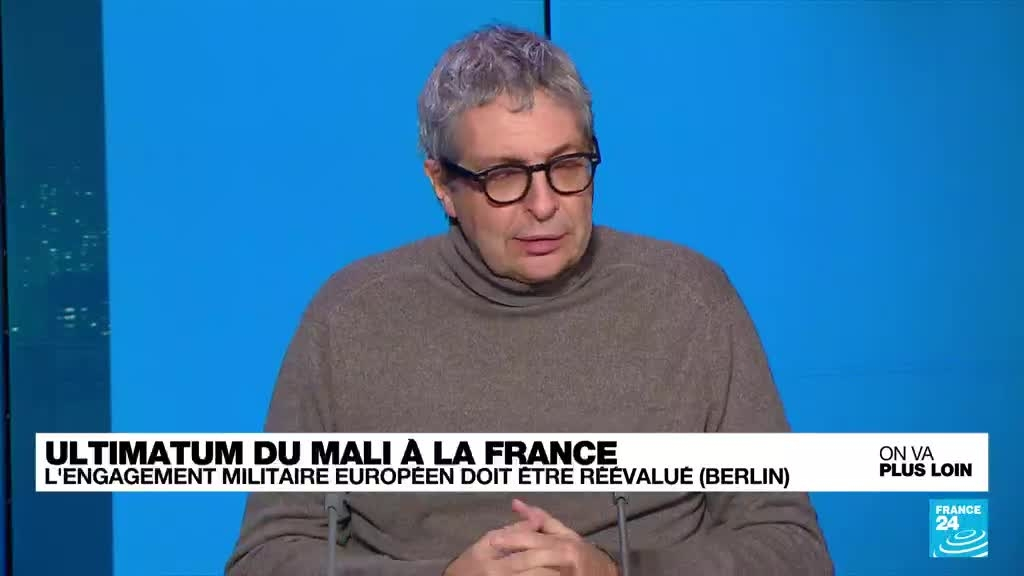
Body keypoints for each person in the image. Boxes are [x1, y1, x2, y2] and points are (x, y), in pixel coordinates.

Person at [226, 24, 833, 576]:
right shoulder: (350, 318)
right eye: (503, 176)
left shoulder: (692, 300)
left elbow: (794, 551)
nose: (543, 205)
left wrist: (617, 572)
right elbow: (265, 559)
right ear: (442, 184)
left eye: (567, 165)